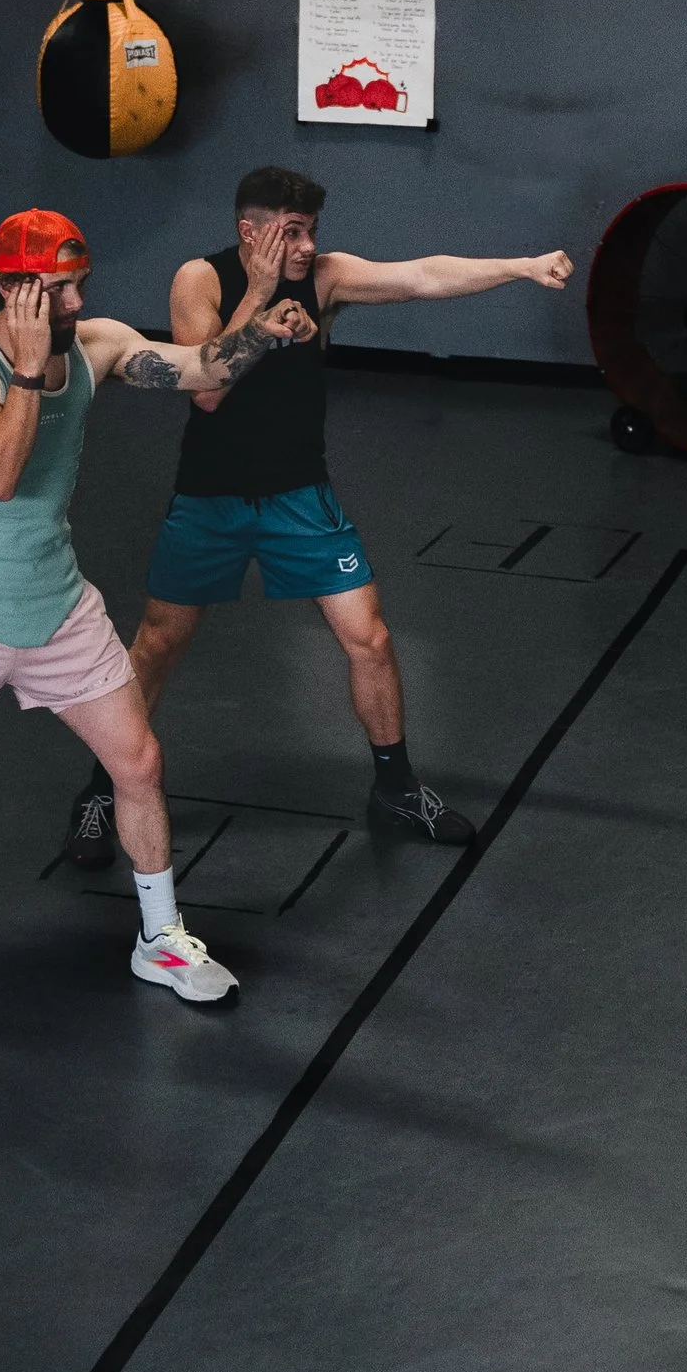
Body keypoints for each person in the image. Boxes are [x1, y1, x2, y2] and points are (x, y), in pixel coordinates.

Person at [0, 206, 312, 1025]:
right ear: (13, 290)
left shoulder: (95, 345)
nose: (78, 303)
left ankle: (159, 936)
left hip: (58, 606)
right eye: (59, 290)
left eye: (81, 284)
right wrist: (24, 368)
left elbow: (204, 371)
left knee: (139, 763)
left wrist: (261, 312)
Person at [66, 167, 574, 862]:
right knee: (156, 645)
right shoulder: (200, 280)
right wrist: (260, 302)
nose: (307, 246)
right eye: (292, 232)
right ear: (251, 233)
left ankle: (395, 788)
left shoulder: (327, 279)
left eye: (311, 231)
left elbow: (422, 276)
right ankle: (103, 789)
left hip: (299, 496)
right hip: (210, 498)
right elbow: (207, 391)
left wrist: (521, 266)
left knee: (370, 638)